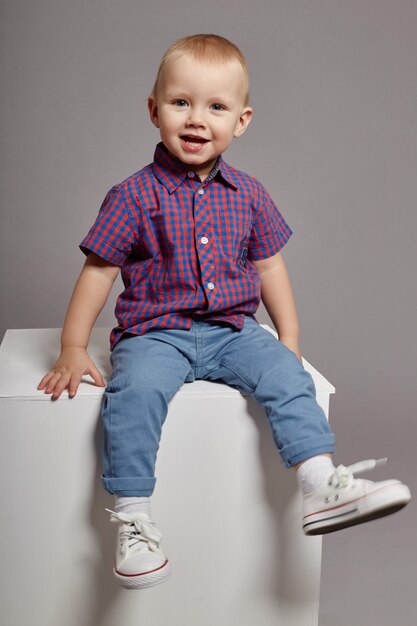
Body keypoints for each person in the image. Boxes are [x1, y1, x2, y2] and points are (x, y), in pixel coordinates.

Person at [37, 34, 411, 590]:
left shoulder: (250, 193)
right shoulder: (132, 195)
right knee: (134, 394)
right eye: (180, 102)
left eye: (216, 106)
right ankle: (134, 518)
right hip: (155, 334)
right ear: (153, 109)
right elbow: (99, 271)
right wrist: (73, 345)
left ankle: (319, 485)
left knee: (288, 375)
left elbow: (269, 268)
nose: (196, 119)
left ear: (241, 120)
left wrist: (290, 336)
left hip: (233, 331)